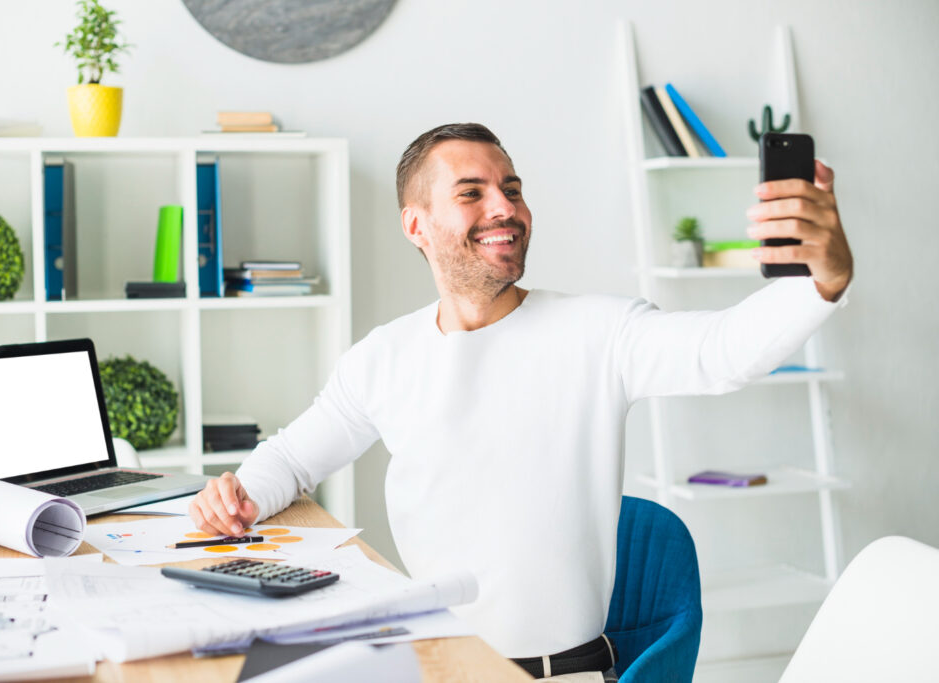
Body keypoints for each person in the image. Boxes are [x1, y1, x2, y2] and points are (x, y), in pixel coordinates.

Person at [190, 123, 853, 680]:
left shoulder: (600, 331)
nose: (504, 207)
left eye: (511, 189)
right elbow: (292, 458)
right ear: (416, 224)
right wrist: (238, 493)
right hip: (434, 663)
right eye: (472, 193)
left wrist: (823, 278)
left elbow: (722, 351)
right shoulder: (383, 358)